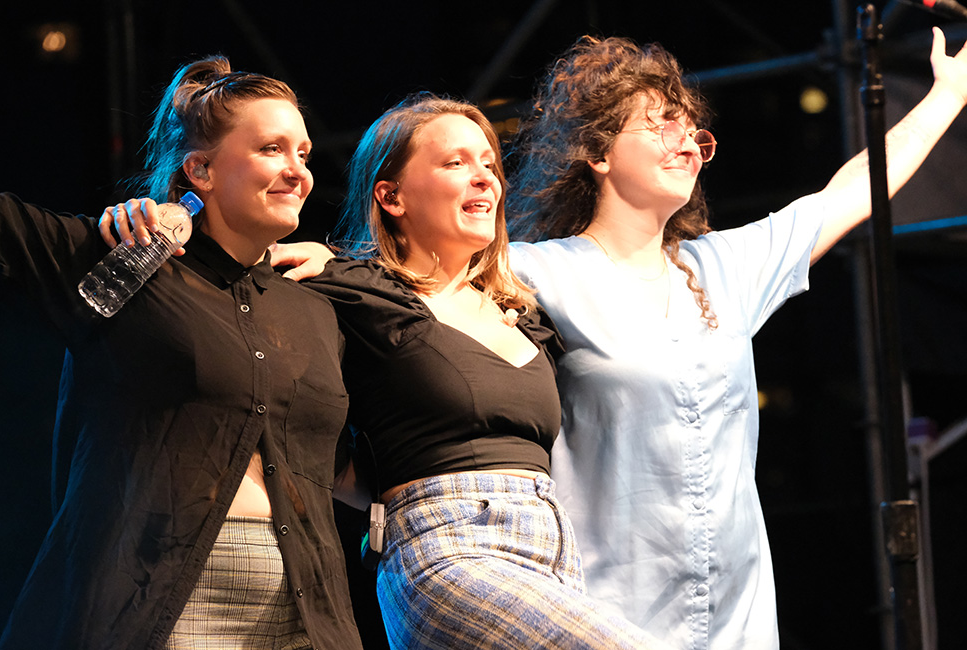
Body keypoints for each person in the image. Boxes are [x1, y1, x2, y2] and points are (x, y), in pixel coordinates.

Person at [502, 29, 967, 650]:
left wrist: (950, 94)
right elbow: (413, 283)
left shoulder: (723, 268)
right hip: (610, 619)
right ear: (598, 151)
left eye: (694, 132)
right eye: (662, 124)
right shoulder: (534, 271)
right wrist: (327, 260)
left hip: (735, 625)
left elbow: (851, 191)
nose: (688, 143)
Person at [0, 57, 362, 650]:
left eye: (303, 154)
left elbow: (334, 467)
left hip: (308, 607)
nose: (298, 172)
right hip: (163, 597)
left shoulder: (316, 310)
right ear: (200, 168)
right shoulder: (127, 260)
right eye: (273, 149)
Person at [255, 93, 674, 649]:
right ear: (391, 195)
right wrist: (161, 217)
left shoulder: (526, 318)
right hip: (446, 550)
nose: (483, 179)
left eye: (488, 164)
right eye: (455, 163)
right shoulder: (354, 291)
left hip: (552, 557)